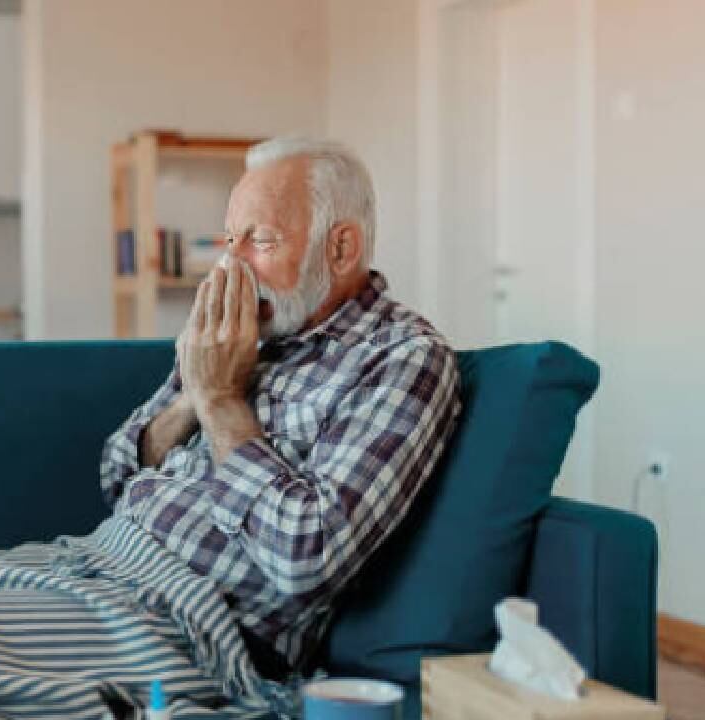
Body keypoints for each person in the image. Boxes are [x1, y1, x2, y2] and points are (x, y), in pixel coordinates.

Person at [100, 136, 462, 677]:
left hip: (176, 625)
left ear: (341, 248)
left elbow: (306, 557)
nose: (232, 267)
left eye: (260, 241)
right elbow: (114, 473)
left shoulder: (401, 358)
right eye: (230, 241)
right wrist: (194, 396)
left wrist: (221, 401)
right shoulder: (235, 333)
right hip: (93, 566)